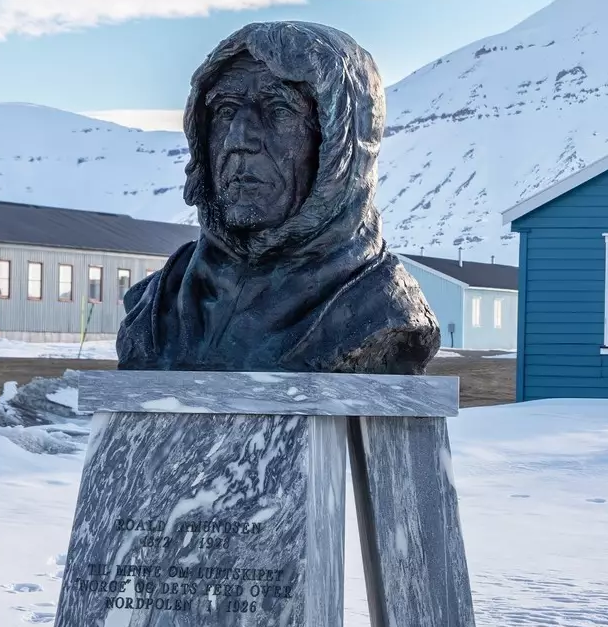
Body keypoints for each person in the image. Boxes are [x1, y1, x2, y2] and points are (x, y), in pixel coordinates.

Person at [117, 21, 440, 373]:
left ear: (340, 147)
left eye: (279, 111)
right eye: (225, 111)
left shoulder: (380, 310)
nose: (238, 139)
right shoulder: (155, 308)